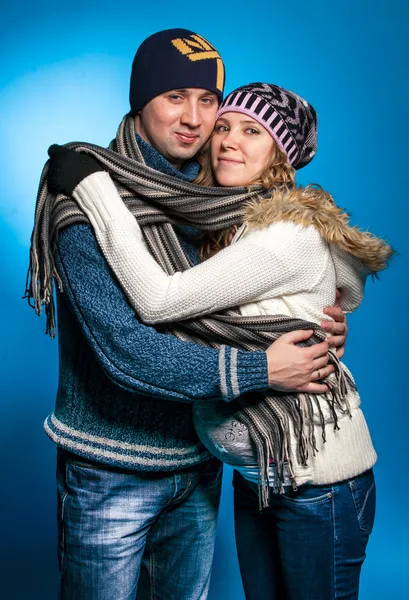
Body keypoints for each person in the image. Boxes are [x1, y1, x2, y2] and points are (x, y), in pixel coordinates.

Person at [27, 28, 347, 599]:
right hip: (111, 469)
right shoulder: (84, 199)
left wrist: (317, 323)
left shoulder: (217, 194)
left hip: (200, 463)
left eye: (208, 101)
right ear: (140, 101)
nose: (194, 118)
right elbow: (127, 348)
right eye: (175, 96)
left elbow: (269, 287)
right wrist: (263, 369)